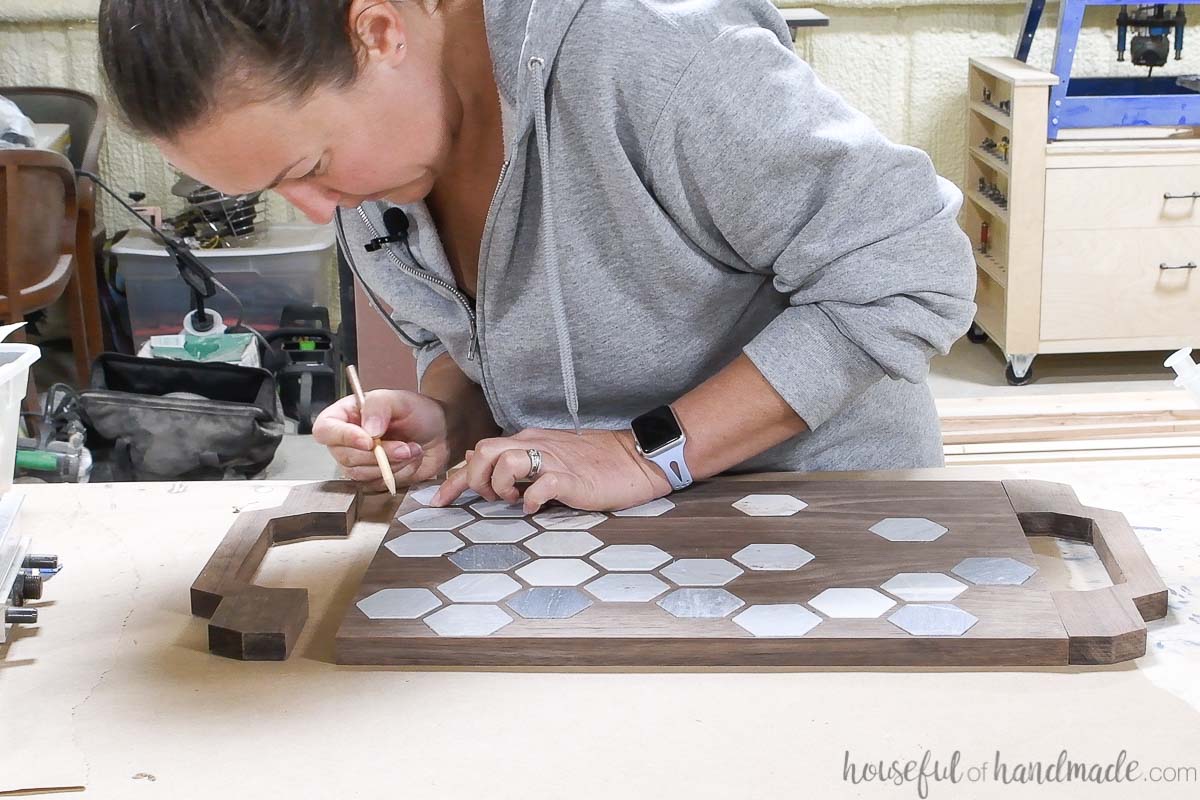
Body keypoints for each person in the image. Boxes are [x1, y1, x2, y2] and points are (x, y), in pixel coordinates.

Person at [98, 0, 976, 512]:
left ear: (377, 31)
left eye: (312, 168)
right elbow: (471, 342)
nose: (320, 211)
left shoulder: (649, 50)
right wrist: (445, 416)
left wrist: (642, 456)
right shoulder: (385, 160)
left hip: (818, 519)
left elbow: (910, 272)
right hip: (578, 537)